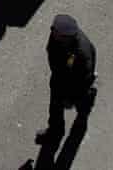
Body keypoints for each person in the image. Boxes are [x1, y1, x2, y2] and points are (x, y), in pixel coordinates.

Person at [35, 14, 97, 147]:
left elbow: (82, 79)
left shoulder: (81, 53)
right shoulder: (57, 37)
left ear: (67, 37)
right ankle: (55, 132)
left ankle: (86, 105)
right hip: (59, 79)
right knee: (55, 109)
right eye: (53, 29)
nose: (52, 32)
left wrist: (70, 98)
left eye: (56, 32)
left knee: (81, 102)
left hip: (75, 84)